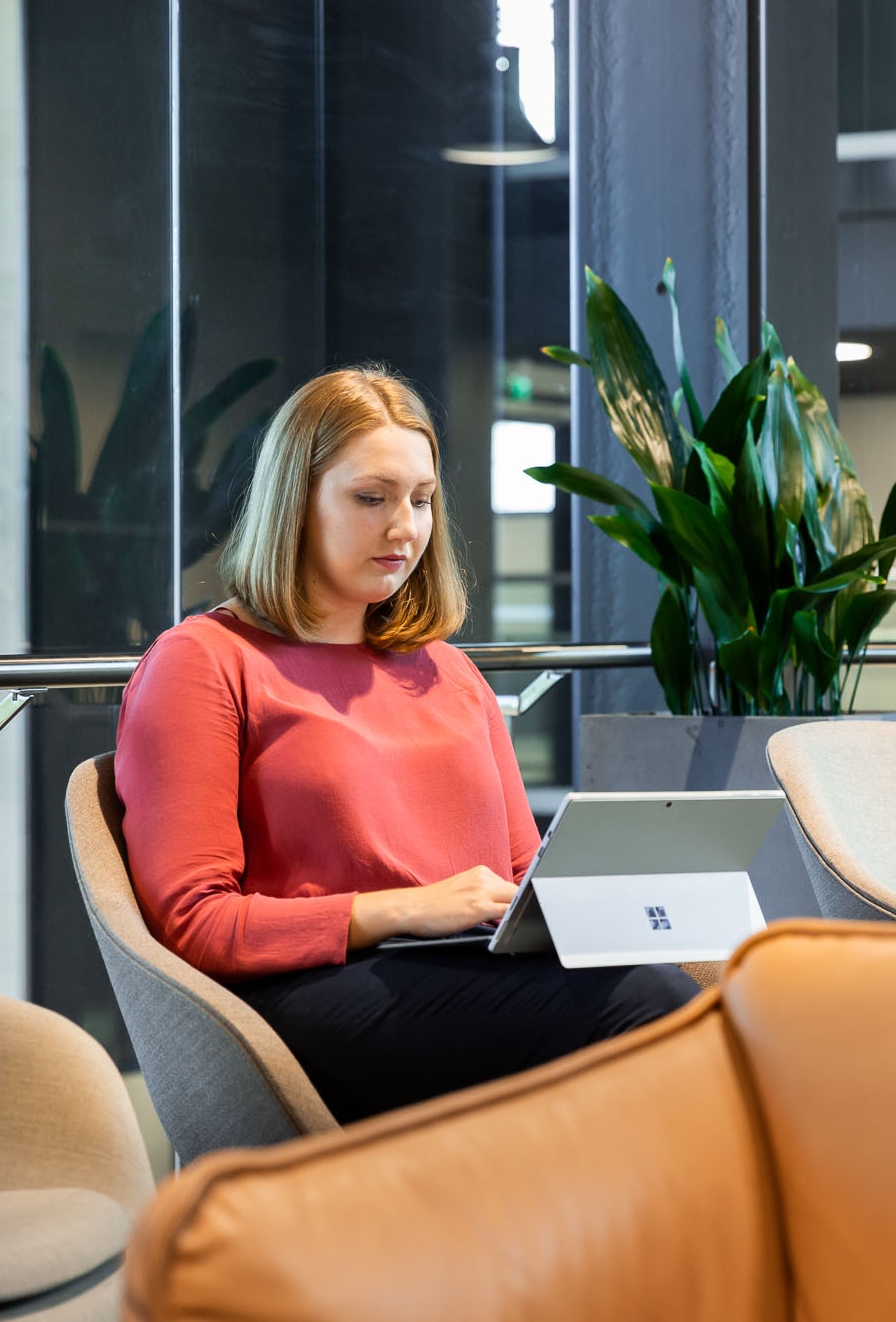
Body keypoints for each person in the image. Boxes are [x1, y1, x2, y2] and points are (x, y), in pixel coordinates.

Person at [113, 364, 697, 1122]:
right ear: (296, 502)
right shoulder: (203, 661)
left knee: (727, 991)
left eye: (421, 500)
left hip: (467, 970)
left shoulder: (450, 672)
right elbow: (194, 920)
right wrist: (404, 909)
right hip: (317, 991)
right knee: (646, 1005)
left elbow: (523, 872)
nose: (405, 529)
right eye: (371, 498)